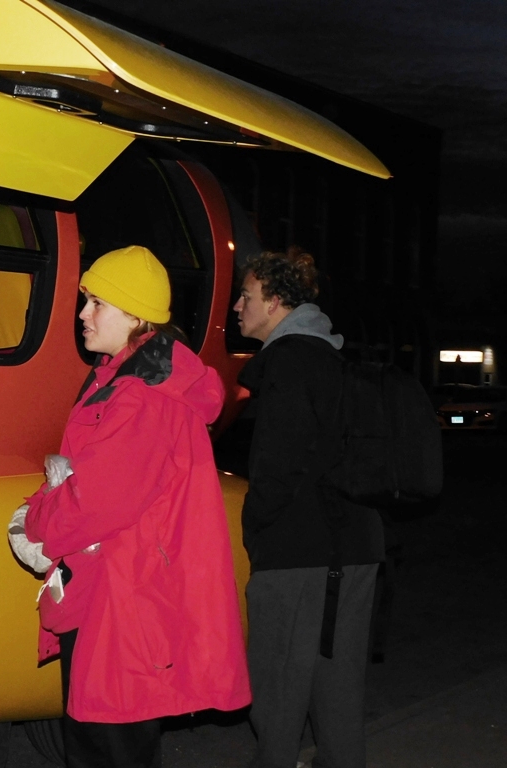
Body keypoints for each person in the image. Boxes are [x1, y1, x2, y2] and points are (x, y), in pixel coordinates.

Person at [10, 245, 251, 768]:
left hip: (122, 604)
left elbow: (97, 502)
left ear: (136, 316)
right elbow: (84, 477)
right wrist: (43, 504)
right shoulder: (124, 380)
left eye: (97, 303)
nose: (83, 314)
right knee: (109, 745)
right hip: (117, 594)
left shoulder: (140, 397)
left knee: (108, 749)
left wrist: (33, 522)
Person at [233, 248, 384, 768]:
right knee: (337, 693)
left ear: (276, 301)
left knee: (276, 693)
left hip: (300, 553)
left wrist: (255, 526)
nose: (237, 306)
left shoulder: (289, 360)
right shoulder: (334, 358)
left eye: (246, 296)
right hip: (356, 546)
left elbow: (280, 464)